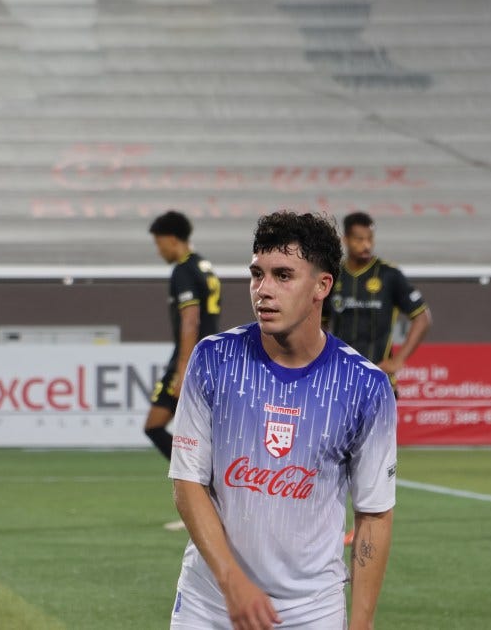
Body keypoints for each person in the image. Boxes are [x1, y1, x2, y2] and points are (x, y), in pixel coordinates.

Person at [169, 211, 396, 629]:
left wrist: (361, 624)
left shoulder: (365, 386)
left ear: (322, 286)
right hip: (211, 603)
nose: (264, 290)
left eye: (283, 276)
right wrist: (232, 581)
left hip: (312, 611)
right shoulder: (213, 359)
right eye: (257, 274)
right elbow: (187, 482)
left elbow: (374, 513)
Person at [146, 210, 221, 462]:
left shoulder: (183, 270)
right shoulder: (204, 266)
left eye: (159, 243)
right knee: (201, 428)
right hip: (210, 357)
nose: (159, 251)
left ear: (171, 239)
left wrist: (183, 369)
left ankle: (201, 475)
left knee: (154, 425)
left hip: (192, 359)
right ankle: (205, 472)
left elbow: (191, 320)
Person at [326, 211, 431, 385]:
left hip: (379, 379)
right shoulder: (334, 275)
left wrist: (398, 360)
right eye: (359, 239)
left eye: (370, 239)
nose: (366, 245)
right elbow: (319, 322)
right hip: (340, 379)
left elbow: (423, 317)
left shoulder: (389, 275)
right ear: (345, 239)